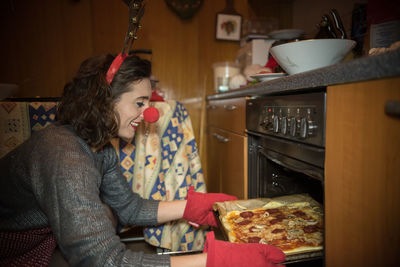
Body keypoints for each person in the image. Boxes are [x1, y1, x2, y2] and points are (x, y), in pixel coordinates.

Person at [0, 53, 285, 267]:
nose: (150, 114)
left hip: (47, 240)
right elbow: (105, 261)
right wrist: (210, 261)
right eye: (139, 103)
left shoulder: (100, 146)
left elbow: (128, 207)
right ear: (103, 101)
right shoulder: (65, 156)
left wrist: (193, 207)